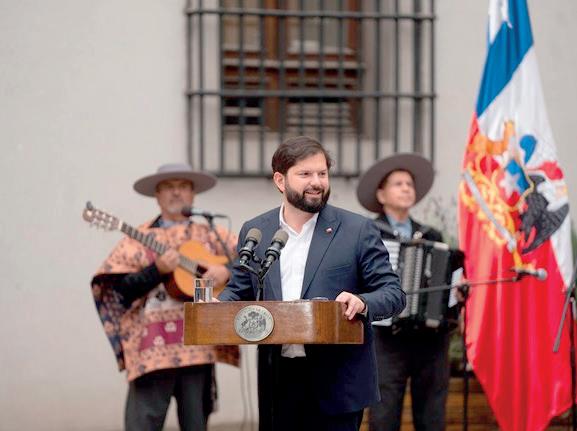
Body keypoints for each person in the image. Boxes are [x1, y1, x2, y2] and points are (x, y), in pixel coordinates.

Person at [218, 136, 405, 431]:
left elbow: (393, 293)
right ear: (280, 180)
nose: (316, 182)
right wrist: (215, 307)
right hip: (278, 379)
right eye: (305, 174)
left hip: (337, 382)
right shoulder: (256, 231)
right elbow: (239, 289)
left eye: (322, 173)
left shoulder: (357, 229)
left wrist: (362, 302)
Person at [90, 163, 239, 431]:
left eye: (183, 186)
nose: (176, 192)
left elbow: (250, 260)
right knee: (142, 425)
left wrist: (226, 271)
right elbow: (119, 291)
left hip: (199, 347)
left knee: (196, 424)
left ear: (193, 194)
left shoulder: (211, 235)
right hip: (152, 349)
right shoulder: (138, 238)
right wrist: (156, 270)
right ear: (157, 195)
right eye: (168, 187)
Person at [356, 154, 453, 431]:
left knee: (432, 415)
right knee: (384, 414)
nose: (406, 188)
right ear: (381, 195)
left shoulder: (431, 235)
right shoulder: (368, 232)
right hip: (386, 337)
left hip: (429, 338)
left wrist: (454, 293)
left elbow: (443, 279)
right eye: (398, 184)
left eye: (409, 184)